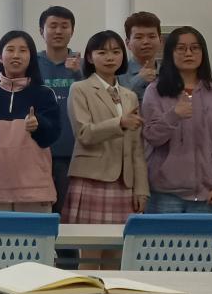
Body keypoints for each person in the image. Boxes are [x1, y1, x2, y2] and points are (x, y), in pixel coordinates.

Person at [142, 26, 212, 213]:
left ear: (203, 53)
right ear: (170, 53)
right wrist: (174, 115)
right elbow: (151, 136)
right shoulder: (155, 90)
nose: (188, 53)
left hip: (207, 195)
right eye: (181, 48)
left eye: (195, 48)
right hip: (164, 194)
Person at [0, 31, 60, 212]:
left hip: (36, 191)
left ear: (31, 57)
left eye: (23, 50)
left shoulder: (44, 95)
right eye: (10, 50)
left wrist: (39, 125)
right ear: (0, 57)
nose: (16, 55)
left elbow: (53, 135)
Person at [62, 30, 148, 228]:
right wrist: (120, 123)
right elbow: (84, 134)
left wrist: (141, 189)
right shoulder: (80, 89)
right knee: (89, 246)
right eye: (102, 52)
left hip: (125, 183)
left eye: (116, 52)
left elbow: (137, 148)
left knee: (120, 246)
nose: (110, 57)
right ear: (89, 57)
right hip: (91, 179)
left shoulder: (129, 96)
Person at [37, 6, 83, 216]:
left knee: (67, 217)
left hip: (72, 154)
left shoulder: (83, 64)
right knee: (39, 217)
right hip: (37, 152)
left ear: (72, 31)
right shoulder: (32, 63)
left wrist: (78, 74)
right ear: (42, 31)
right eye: (53, 26)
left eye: (64, 26)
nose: (58, 31)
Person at [119, 11, 162, 101]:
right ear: (128, 43)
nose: (146, 42)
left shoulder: (169, 72)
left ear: (160, 41)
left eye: (152, 36)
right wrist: (139, 80)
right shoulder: (118, 73)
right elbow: (115, 102)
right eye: (139, 37)